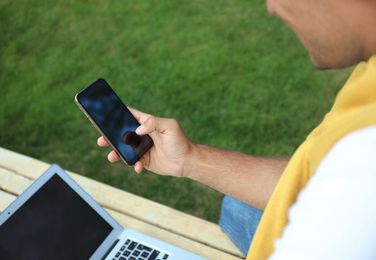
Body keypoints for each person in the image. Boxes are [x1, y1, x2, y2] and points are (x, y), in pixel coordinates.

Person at [98, 0, 376, 258]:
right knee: (236, 207)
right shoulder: (368, 76)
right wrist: (188, 159)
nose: (271, 7)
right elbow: (314, 174)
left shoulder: (363, 161)